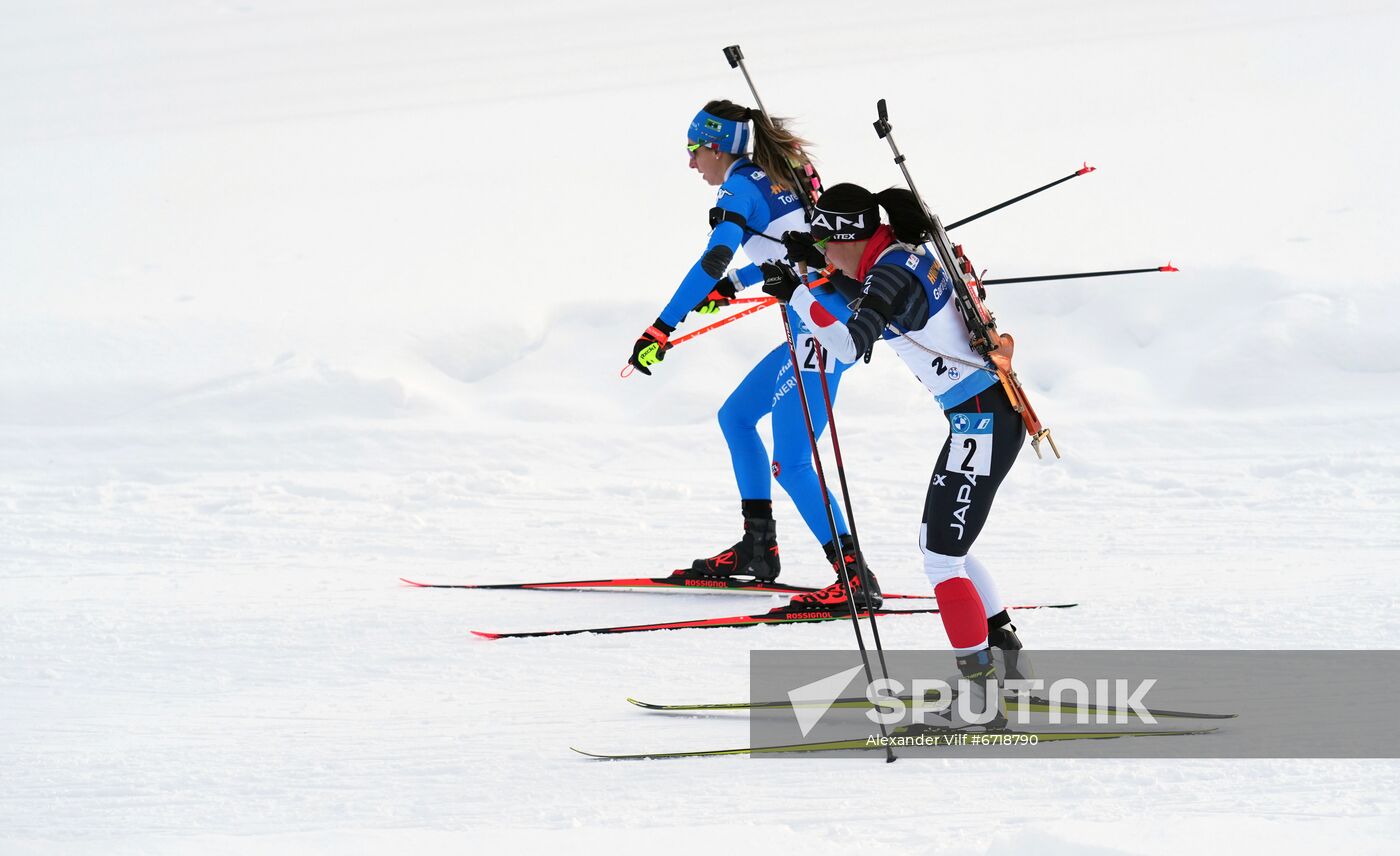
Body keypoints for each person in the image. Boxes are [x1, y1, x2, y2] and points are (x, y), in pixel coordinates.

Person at [758, 182, 1026, 713]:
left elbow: (852, 342)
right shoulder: (898, 256)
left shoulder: (890, 272)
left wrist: (796, 294)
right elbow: (861, 295)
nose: (822, 250)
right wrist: (815, 269)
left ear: (847, 236)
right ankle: (1008, 662)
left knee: (940, 557)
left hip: (981, 422)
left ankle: (981, 697)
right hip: (985, 416)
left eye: (824, 240)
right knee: (944, 543)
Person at [625, 101, 880, 609]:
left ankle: (855, 578)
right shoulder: (781, 174)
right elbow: (792, 248)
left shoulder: (740, 187)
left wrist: (661, 326)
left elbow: (715, 253)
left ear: (716, 147)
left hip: (823, 336)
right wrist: (737, 282)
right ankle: (758, 549)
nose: (692, 164)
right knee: (736, 416)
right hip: (814, 324)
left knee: (793, 463)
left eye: (694, 151)